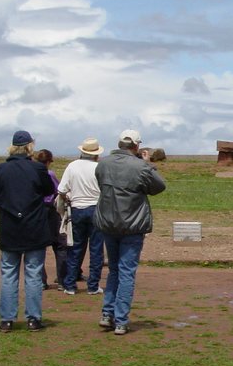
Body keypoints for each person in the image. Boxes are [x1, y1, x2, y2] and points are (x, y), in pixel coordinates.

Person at [94, 129, 166, 335]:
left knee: (114, 270)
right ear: (136, 146)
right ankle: (121, 319)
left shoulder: (103, 163)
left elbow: (100, 183)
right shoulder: (140, 166)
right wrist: (147, 164)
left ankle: (107, 314)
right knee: (126, 271)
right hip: (132, 225)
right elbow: (159, 186)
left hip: (108, 223)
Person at [0, 130, 54, 332]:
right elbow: (49, 191)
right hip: (34, 227)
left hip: (10, 227)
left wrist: (6, 206)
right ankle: (33, 318)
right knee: (33, 274)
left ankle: (7, 319)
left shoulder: (0, 170)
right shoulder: (38, 170)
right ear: (30, 147)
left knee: (9, 273)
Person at [58, 137, 105, 296]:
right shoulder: (100, 167)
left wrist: (69, 198)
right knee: (96, 249)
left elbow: (62, 190)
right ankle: (93, 285)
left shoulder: (72, 166)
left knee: (75, 248)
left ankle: (70, 284)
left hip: (77, 209)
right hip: (96, 209)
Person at [34, 149, 68, 291]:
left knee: (37, 246)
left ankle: (41, 281)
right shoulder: (50, 174)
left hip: (37, 211)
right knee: (60, 245)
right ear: (48, 162)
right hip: (50, 210)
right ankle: (62, 280)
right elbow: (58, 190)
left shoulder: (32, 174)